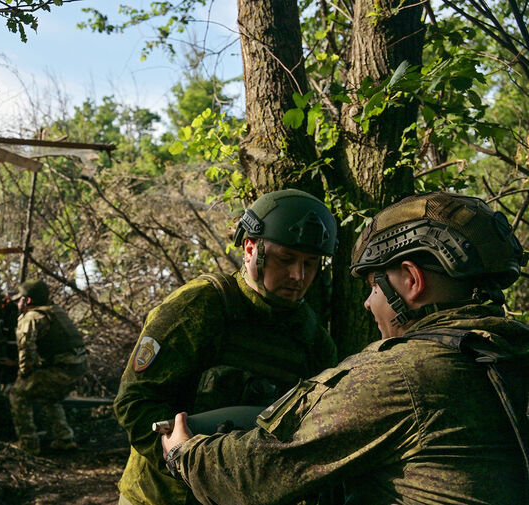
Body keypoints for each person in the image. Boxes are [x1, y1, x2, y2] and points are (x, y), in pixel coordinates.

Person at [161, 192, 529, 504]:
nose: (368, 304)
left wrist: (184, 453)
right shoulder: (511, 349)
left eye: (373, 285)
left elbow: (260, 474)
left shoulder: (401, 373)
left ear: (413, 281)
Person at [115, 189, 340, 505]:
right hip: (163, 496)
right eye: (286, 259)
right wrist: (176, 454)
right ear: (250, 248)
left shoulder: (311, 337)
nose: (298, 275)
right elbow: (134, 402)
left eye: (310, 264)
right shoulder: (200, 307)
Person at [7, 279, 87, 455]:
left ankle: (28, 444)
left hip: (62, 370)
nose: (18, 303)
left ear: (27, 300)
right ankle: (65, 439)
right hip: (77, 368)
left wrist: (24, 374)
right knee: (47, 395)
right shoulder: (55, 311)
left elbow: (26, 350)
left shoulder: (30, 318)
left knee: (18, 393)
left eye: (20, 299)